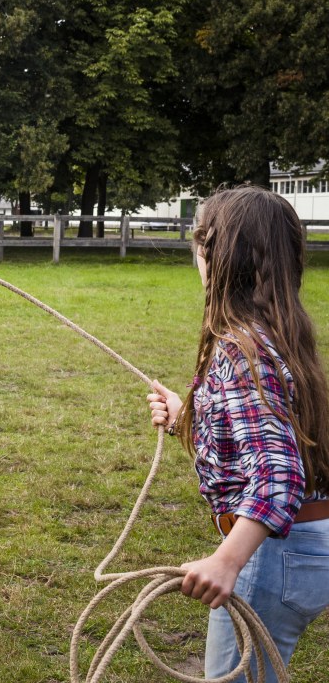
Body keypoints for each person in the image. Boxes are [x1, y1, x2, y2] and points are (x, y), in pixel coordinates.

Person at [146, 185, 329, 680]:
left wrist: (228, 561)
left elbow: (277, 473)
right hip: (304, 545)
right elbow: (266, 428)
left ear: (215, 255)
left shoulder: (238, 350)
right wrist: (191, 415)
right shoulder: (278, 332)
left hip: (271, 557)